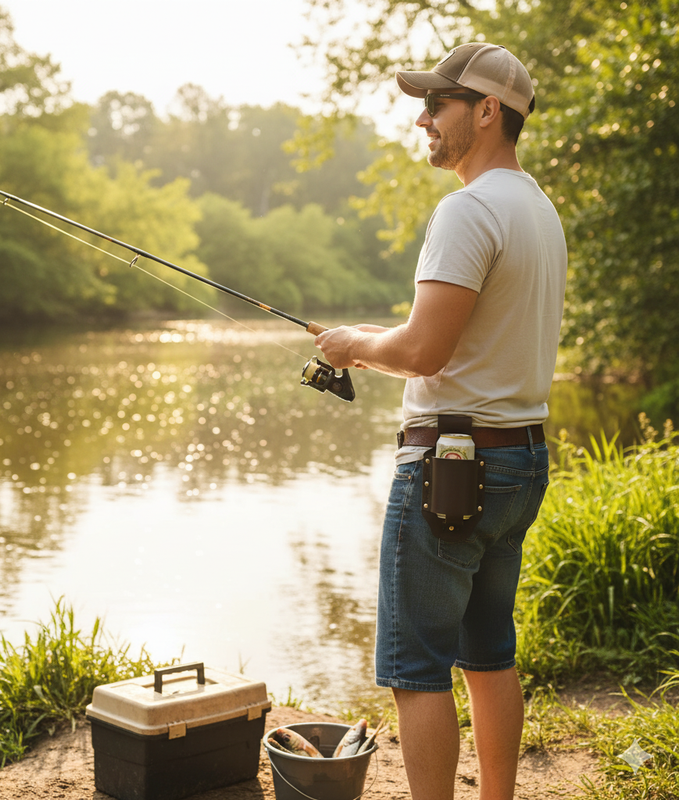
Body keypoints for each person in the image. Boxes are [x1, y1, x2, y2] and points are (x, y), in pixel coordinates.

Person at [314, 43, 567, 800]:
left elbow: (424, 350)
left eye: (439, 105)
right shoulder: (538, 209)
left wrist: (356, 345)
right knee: (489, 652)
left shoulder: (468, 209)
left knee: (415, 669)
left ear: (488, 111)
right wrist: (368, 339)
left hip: (451, 472)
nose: (422, 118)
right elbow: (458, 337)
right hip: (519, 462)